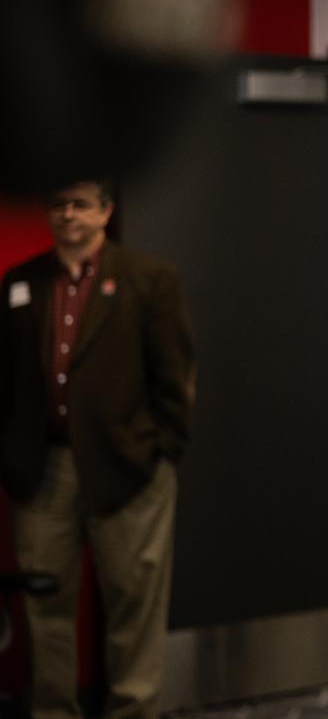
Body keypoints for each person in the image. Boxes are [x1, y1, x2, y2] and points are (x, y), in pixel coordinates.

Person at [0, 180, 193, 718]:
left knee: (135, 603)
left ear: (106, 212)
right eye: (58, 206)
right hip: (42, 470)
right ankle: (53, 713)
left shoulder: (149, 279)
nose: (69, 215)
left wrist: (161, 450)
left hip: (129, 468)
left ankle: (134, 712)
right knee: (45, 605)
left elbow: (176, 378)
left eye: (81, 205)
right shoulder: (21, 283)